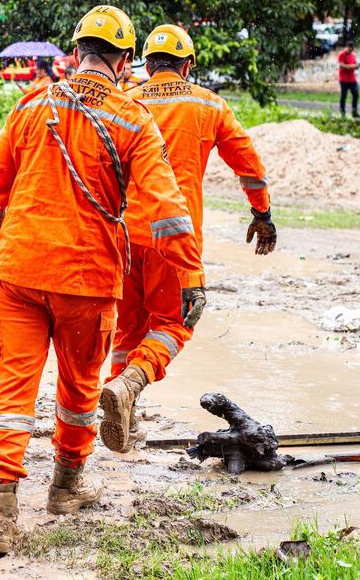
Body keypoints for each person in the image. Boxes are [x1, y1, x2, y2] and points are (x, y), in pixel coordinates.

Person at [0, 6, 205, 555]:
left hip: (19, 272)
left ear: (76, 53)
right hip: (87, 278)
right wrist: (190, 271)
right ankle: (64, 488)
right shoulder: (132, 118)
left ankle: (0, 519)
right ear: (125, 61)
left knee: (10, 396)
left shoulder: (30, 107)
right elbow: (166, 209)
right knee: (78, 393)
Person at [99, 25, 276, 453]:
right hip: (174, 239)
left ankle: (125, 412)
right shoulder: (207, 105)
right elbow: (248, 164)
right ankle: (129, 387)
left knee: (127, 329)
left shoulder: (127, 102)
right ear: (188, 64)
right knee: (174, 325)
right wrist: (262, 212)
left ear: (144, 62)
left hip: (121, 236)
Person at [337, 42, 360, 118]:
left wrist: (356, 67)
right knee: (344, 96)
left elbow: (354, 65)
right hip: (343, 79)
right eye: (350, 49)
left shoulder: (353, 56)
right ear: (347, 47)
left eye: (352, 49)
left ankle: (354, 111)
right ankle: (342, 112)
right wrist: (351, 66)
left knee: (356, 94)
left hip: (352, 79)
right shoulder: (342, 54)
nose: (351, 51)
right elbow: (341, 65)